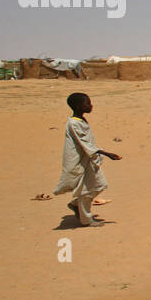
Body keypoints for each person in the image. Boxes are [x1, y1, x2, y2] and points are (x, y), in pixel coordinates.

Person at [53, 92, 121, 226]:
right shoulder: (73, 124)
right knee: (86, 189)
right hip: (80, 161)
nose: (91, 106)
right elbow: (84, 143)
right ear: (78, 106)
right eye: (87, 104)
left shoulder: (81, 120)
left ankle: (75, 204)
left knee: (99, 185)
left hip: (89, 159)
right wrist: (107, 154)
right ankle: (86, 219)